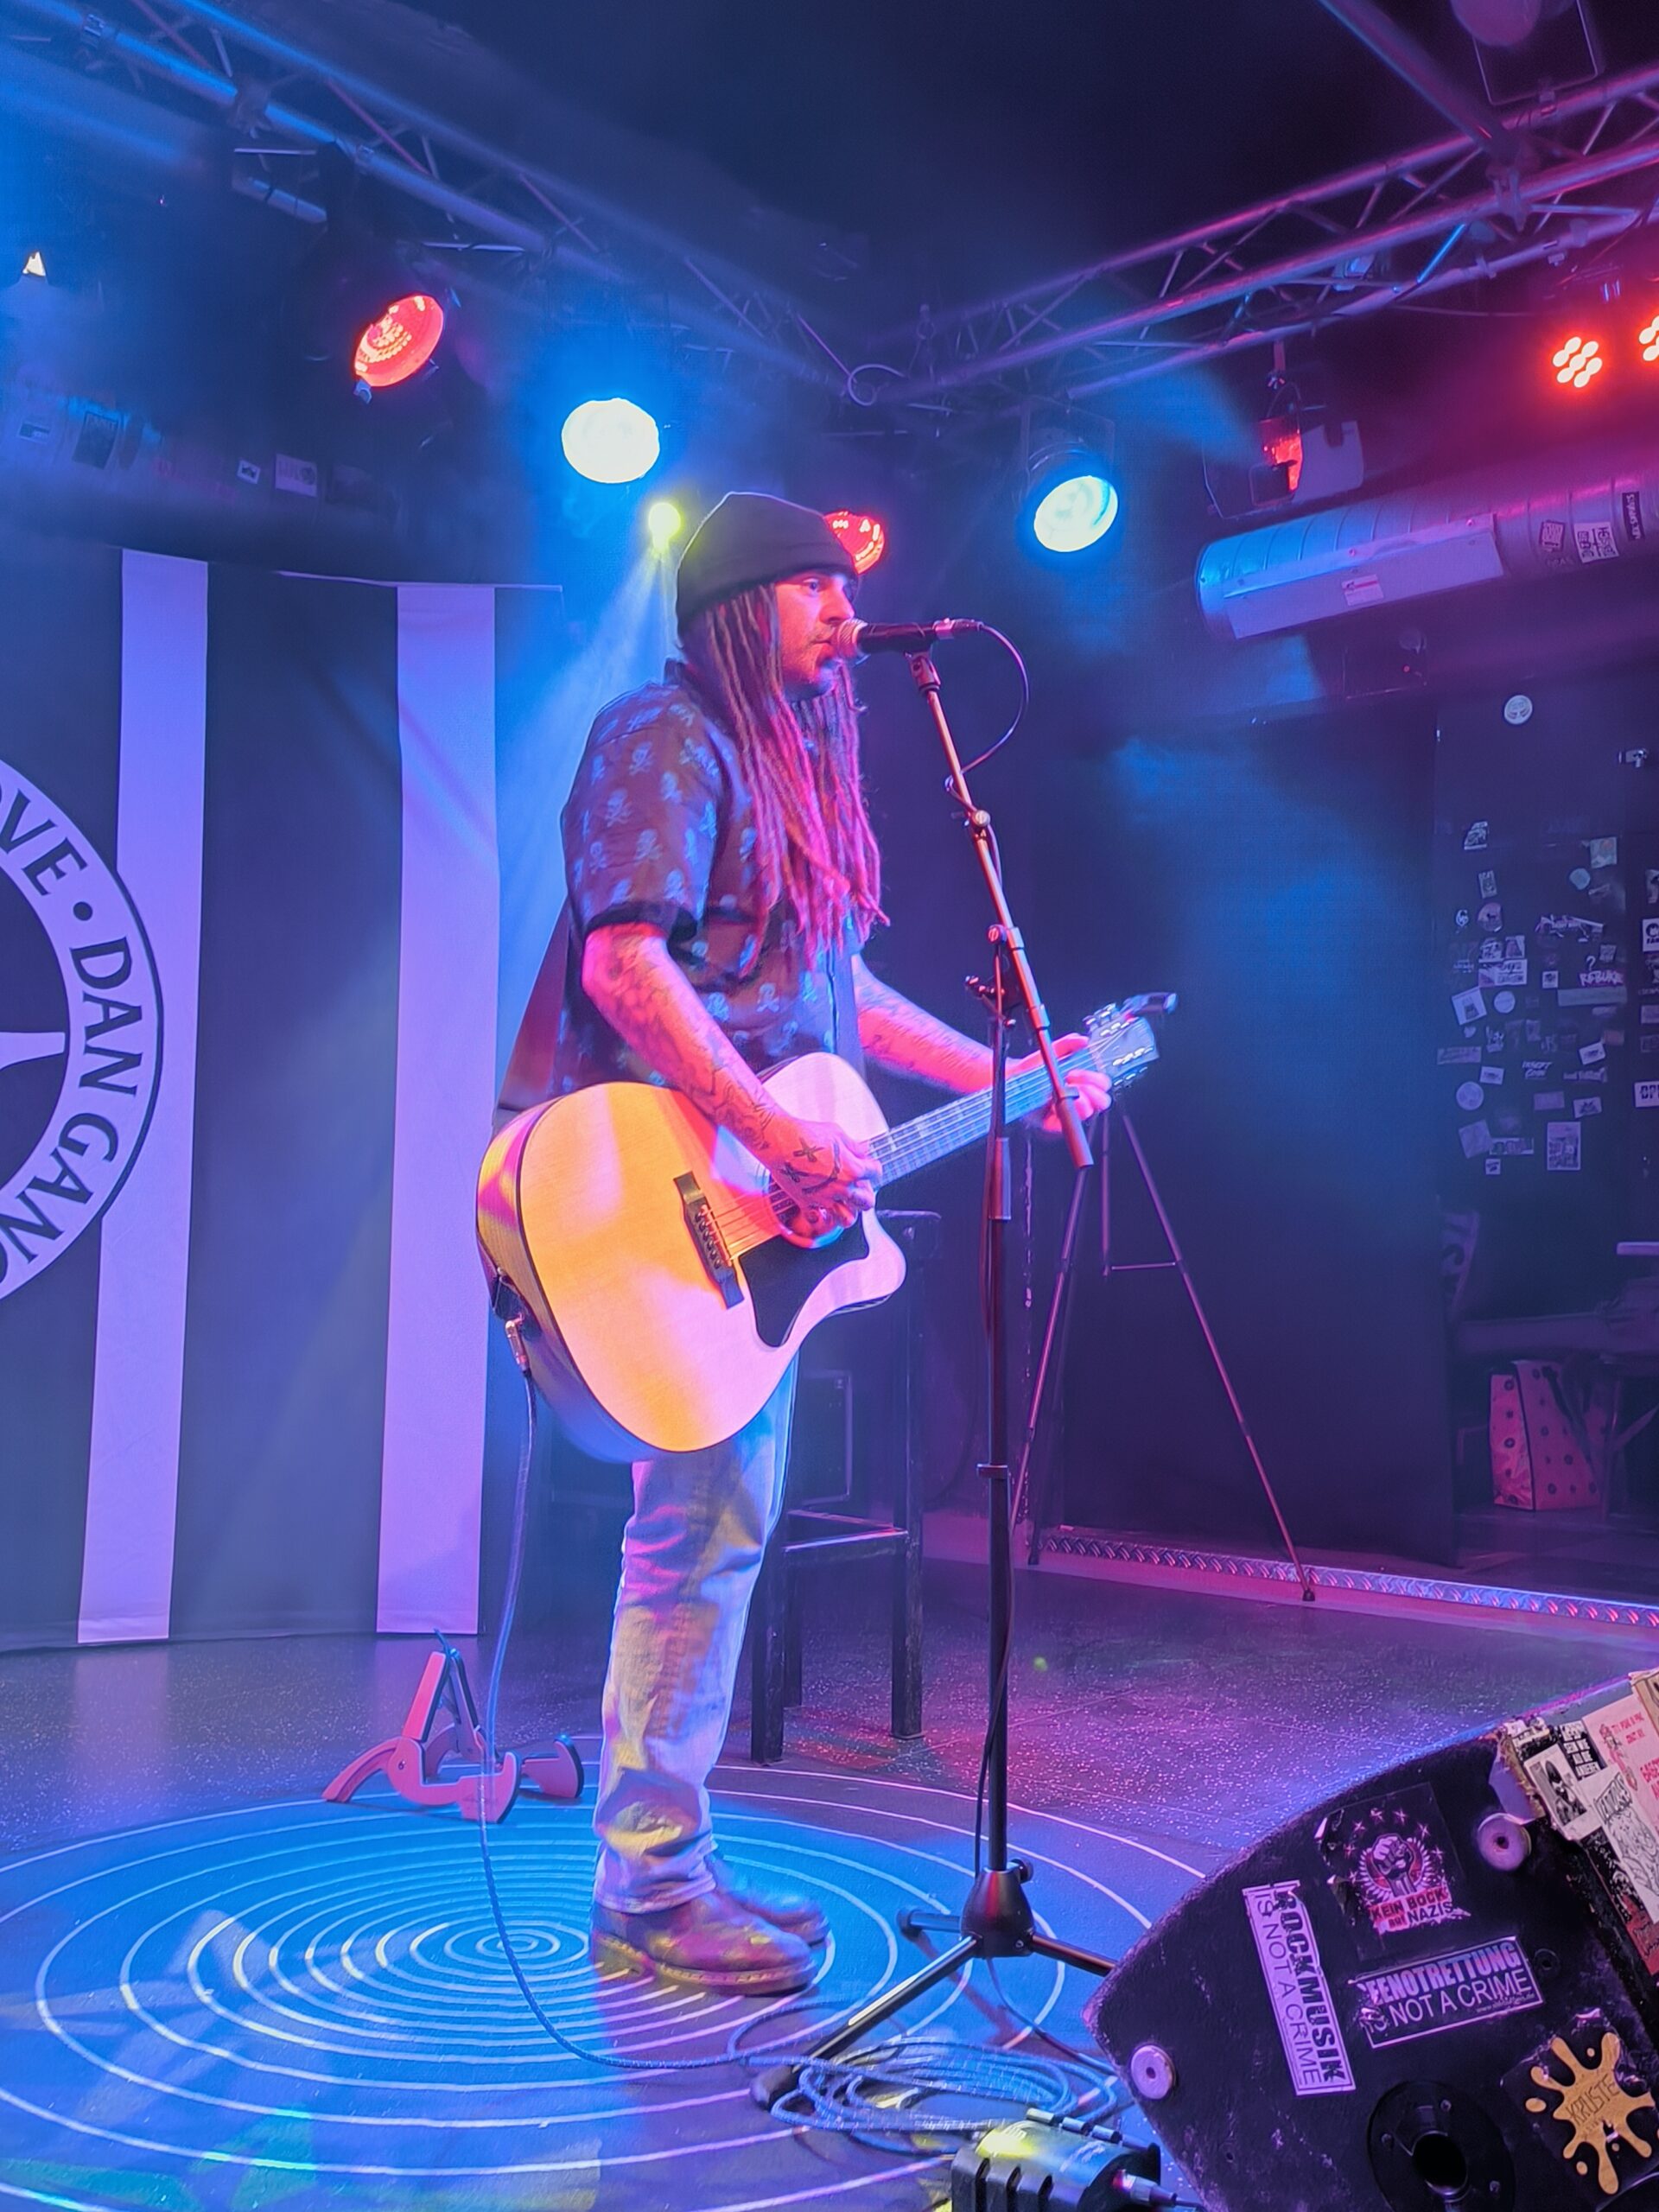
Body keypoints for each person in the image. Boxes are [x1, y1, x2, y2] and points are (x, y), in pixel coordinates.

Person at [550, 492, 1109, 1994]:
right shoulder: (664, 733)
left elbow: (843, 999)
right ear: (743, 604)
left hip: (751, 1201)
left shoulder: (788, 774)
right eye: (818, 589)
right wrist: (771, 1128)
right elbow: (625, 966)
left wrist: (1017, 1072)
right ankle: (650, 1887)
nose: (851, 617)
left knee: (715, 1529)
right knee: (695, 1536)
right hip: (670, 1180)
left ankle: (664, 1871)